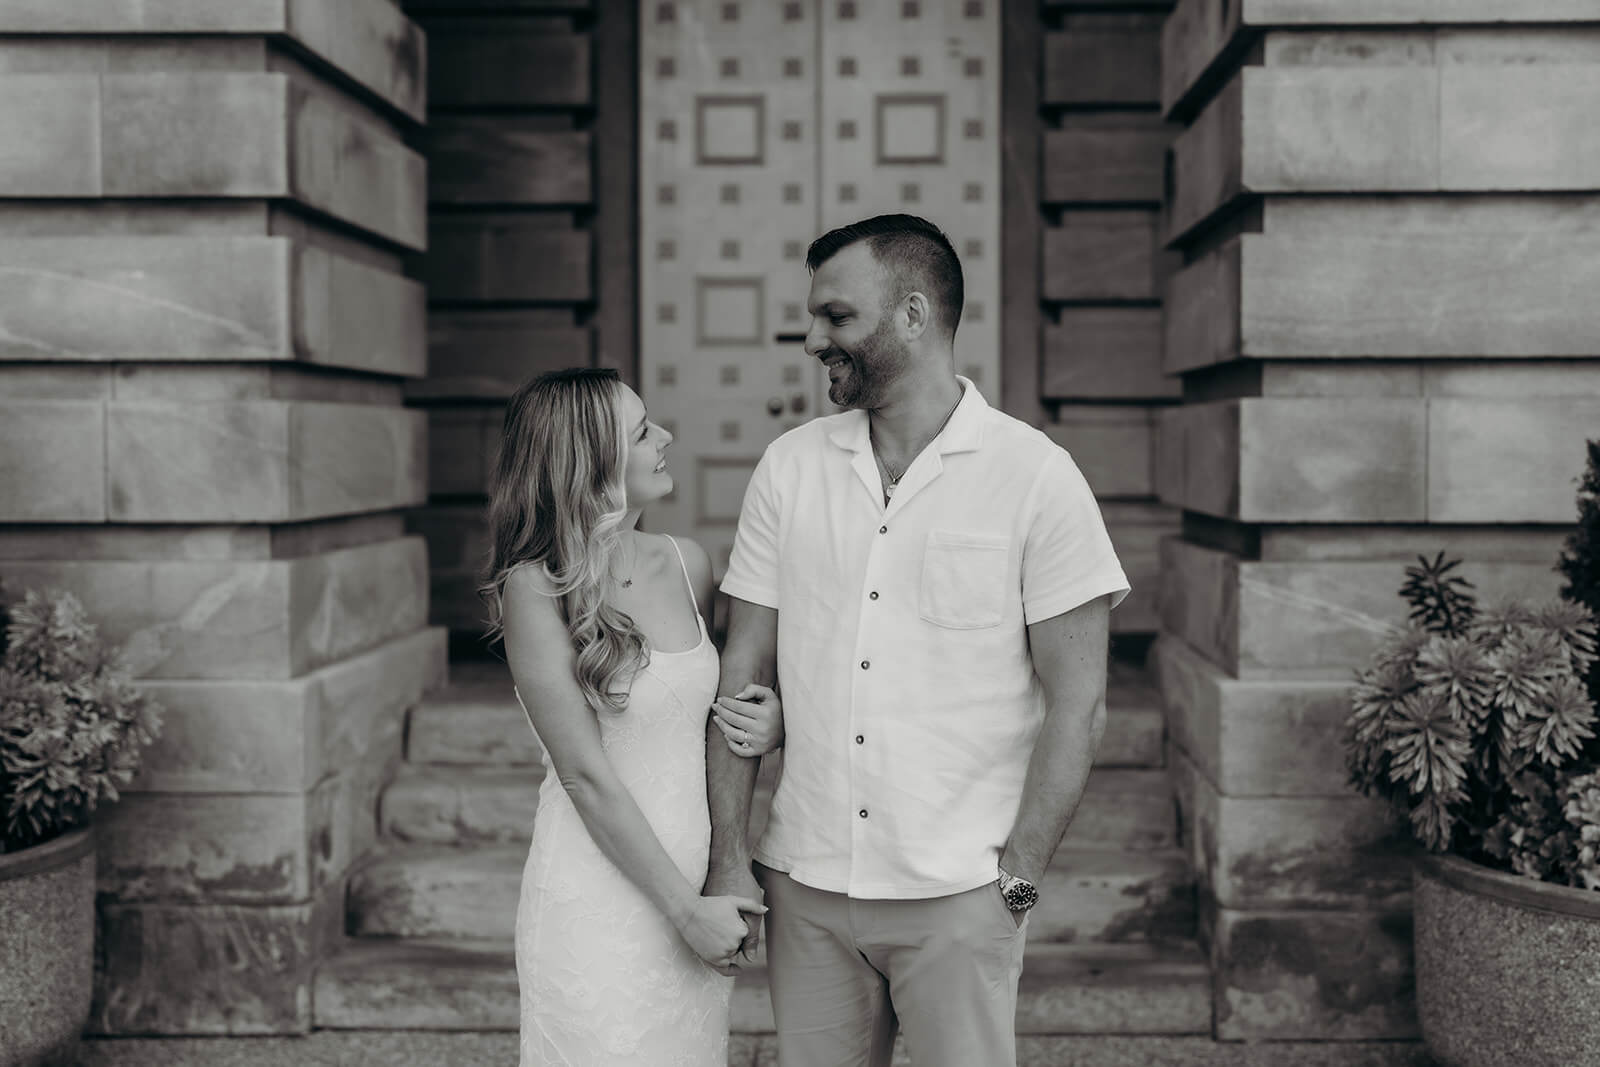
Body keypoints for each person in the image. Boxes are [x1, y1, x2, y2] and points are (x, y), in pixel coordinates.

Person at [704, 214, 1130, 1067]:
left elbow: (1078, 706)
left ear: (913, 314)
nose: (812, 338)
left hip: (958, 894)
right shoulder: (789, 468)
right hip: (807, 883)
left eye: (836, 316)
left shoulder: (1036, 476)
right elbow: (740, 672)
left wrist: (1014, 882)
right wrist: (728, 858)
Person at [480, 368, 785, 1066]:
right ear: (592, 461)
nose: (666, 437)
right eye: (644, 430)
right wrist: (684, 909)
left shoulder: (690, 564)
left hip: (696, 888)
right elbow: (585, 775)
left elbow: (704, 713)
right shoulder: (535, 588)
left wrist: (771, 726)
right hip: (599, 898)